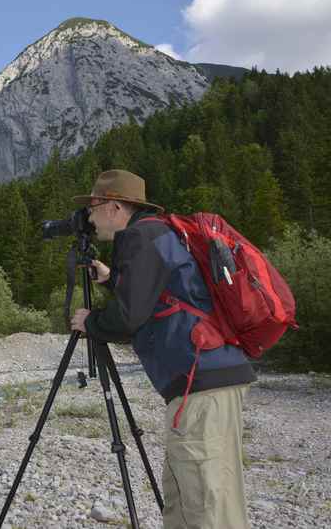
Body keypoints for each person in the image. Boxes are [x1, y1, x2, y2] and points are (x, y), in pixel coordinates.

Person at [68, 169, 256, 529]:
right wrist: (113, 279)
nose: (89, 221)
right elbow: (163, 296)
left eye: (91, 209)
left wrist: (90, 322)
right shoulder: (160, 233)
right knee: (197, 497)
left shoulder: (139, 237)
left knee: (204, 505)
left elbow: (128, 318)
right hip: (209, 378)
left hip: (200, 384)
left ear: (111, 206)